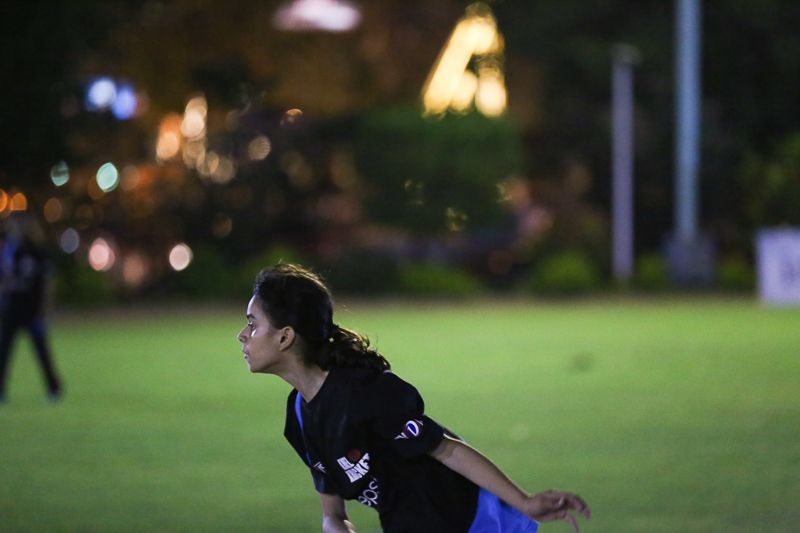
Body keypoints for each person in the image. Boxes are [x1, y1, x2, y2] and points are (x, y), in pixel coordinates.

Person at [236, 264, 590, 533]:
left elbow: (446, 448)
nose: (243, 335)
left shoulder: (362, 391)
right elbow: (333, 514)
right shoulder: (300, 417)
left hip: (474, 521)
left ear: (285, 337)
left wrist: (525, 502)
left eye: (253, 324)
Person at [0, 212, 63, 403]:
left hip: (32, 309)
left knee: (41, 350)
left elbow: (46, 283)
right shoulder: (8, 248)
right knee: (4, 350)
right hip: (12, 308)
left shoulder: (37, 250)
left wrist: (45, 308)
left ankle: (54, 388)